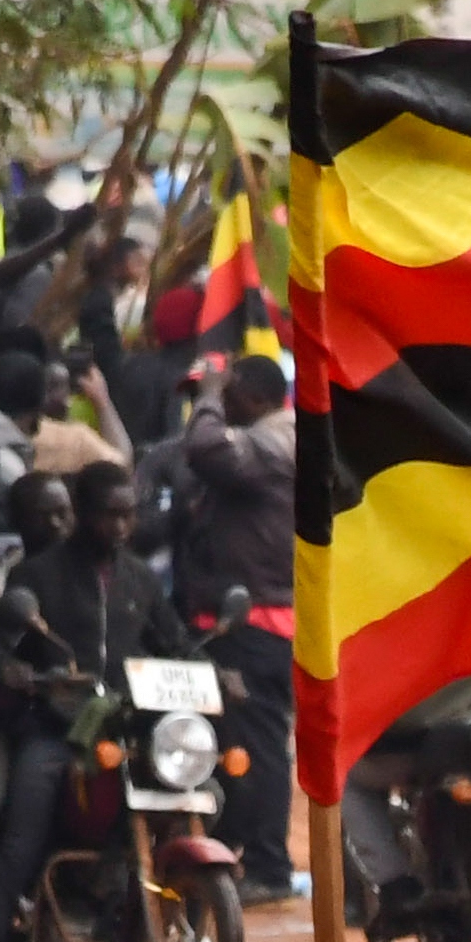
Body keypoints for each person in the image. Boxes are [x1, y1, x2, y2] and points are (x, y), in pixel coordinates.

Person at [0, 464, 188, 942]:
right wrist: (17, 672)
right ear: (82, 510)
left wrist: (213, 670)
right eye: (110, 513)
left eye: (130, 513)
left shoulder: (140, 580)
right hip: (55, 733)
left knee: (192, 808)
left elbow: (173, 642)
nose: (122, 525)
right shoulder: (39, 575)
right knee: (21, 844)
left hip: (125, 735)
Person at [170, 355, 301, 896]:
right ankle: (242, 853)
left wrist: (209, 391)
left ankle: (269, 866)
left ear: (250, 393)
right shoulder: (272, 438)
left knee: (262, 744)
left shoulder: (275, 440)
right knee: (236, 743)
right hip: (241, 620)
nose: (213, 405)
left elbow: (205, 449)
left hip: (261, 622)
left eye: (225, 394)